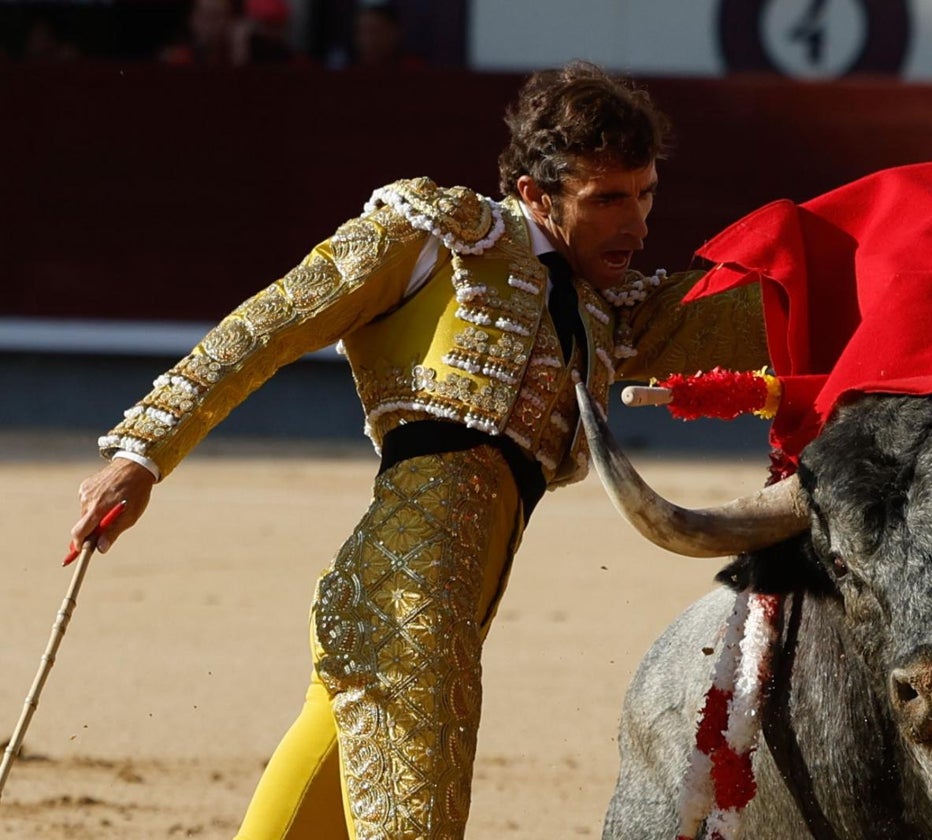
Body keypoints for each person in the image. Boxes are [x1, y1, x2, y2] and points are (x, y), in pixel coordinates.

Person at [70, 61, 767, 839]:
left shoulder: (606, 311)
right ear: (535, 193)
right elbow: (266, 328)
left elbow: (738, 312)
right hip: (411, 599)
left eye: (644, 195)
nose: (635, 223)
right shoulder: (442, 236)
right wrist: (141, 453)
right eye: (606, 199)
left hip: (437, 609)